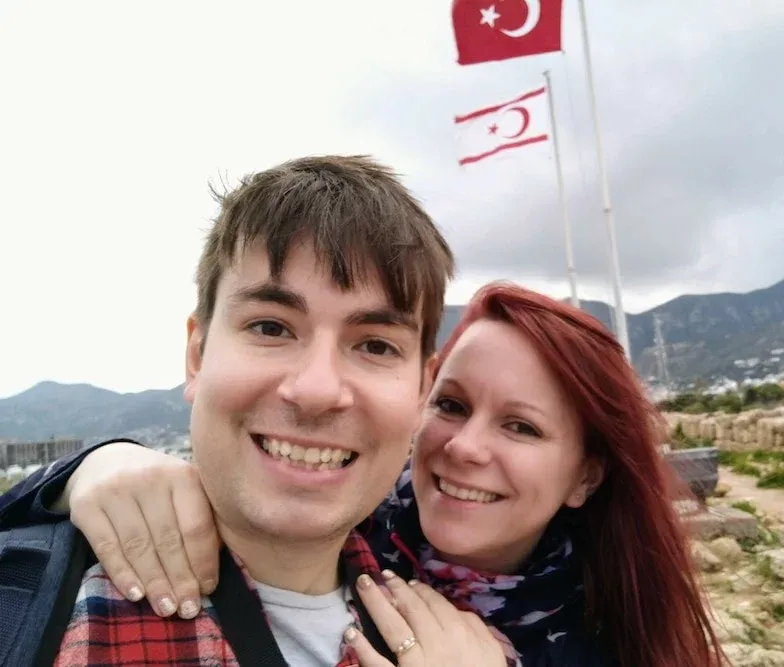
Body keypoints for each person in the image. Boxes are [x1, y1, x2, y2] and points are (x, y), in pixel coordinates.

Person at [2, 282, 727, 666]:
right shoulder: (330, 545)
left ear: (585, 478)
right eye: (452, 404)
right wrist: (90, 467)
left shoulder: (612, 637)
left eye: (522, 426)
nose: (464, 447)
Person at [0, 154, 511, 667]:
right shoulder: (27, 602)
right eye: (271, 327)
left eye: (376, 346)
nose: (316, 390)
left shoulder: (471, 648)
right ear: (196, 355)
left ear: (422, 387)